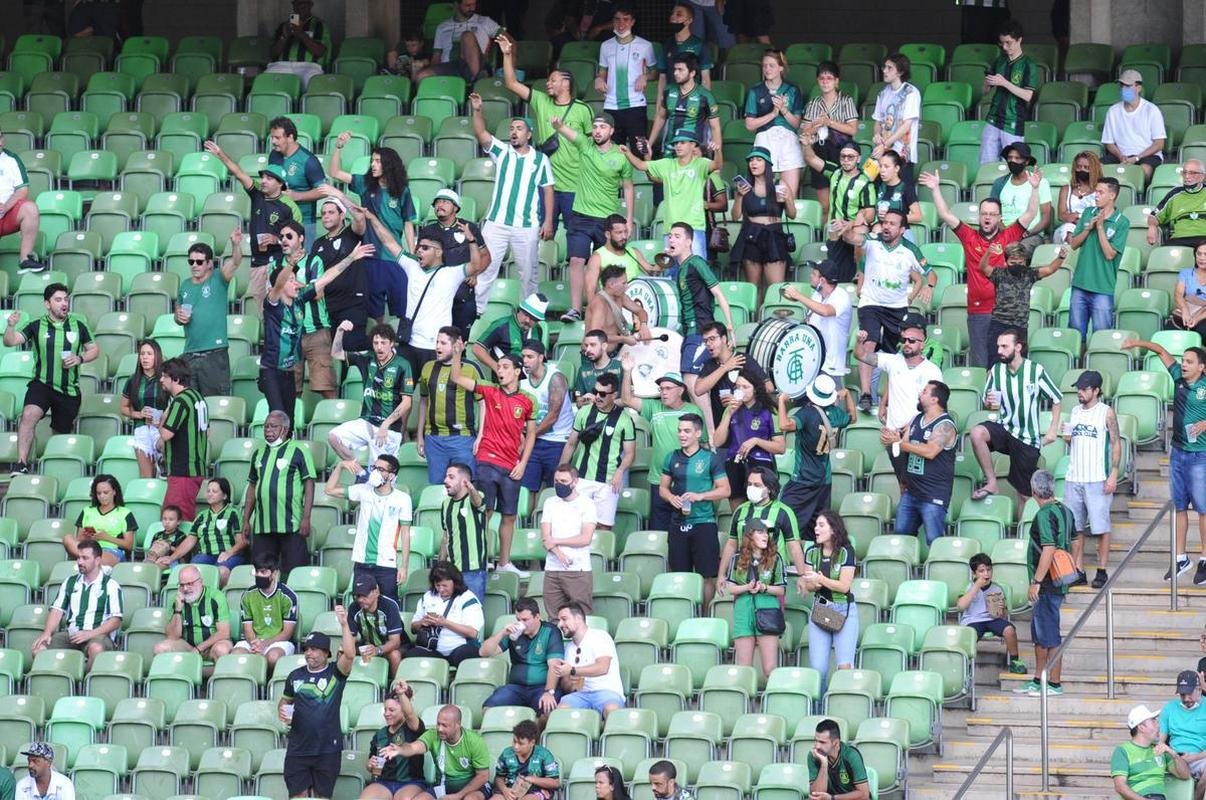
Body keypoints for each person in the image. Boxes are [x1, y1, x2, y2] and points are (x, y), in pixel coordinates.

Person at [921, 164, 1040, 367]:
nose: (987, 217)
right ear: (979, 216)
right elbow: (945, 214)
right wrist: (935, 189)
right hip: (978, 312)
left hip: (1005, 311)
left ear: (999, 218)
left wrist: (1035, 189)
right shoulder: (969, 236)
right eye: (984, 213)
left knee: (1007, 364)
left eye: (992, 214)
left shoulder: (1008, 235)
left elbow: (1030, 213)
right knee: (981, 363)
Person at [261, 223, 372, 417]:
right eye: (291, 280)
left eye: (289, 236)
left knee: (306, 398)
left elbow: (326, 279)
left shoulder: (301, 294)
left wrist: (351, 257)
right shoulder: (273, 301)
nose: (295, 283)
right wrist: (290, 266)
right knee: (281, 409)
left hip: (304, 346)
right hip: (272, 369)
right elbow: (277, 285)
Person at [364, 206, 491, 378]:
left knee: (429, 397)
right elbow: (389, 242)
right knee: (402, 395)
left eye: (425, 248)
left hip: (435, 348)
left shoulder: (451, 274)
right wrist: (372, 218)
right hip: (408, 344)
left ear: (438, 252)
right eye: (419, 247)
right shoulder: (412, 266)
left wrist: (472, 242)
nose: (418, 251)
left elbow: (476, 265)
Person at [449, 339, 536, 577]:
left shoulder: (528, 400)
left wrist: (523, 463)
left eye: (506, 367)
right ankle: (482, 558)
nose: (500, 371)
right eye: (499, 367)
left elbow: (531, 435)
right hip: (487, 460)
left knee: (509, 515)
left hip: (512, 466)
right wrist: (457, 354)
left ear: (518, 372)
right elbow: (457, 378)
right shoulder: (488, 390)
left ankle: (504, 562)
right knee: (485, 511)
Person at [1121, 339, 1206, 582]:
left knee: (1203, 509)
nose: (1184, 364)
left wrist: (1204, 424)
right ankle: (1181, 558)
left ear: (1202, 367)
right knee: (1179, 507)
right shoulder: (1178, 377)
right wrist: (1136, 342)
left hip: (1200, 454)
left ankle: (1205, 559)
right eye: (1183, 361)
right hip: (1178, 452)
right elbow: (1160, 350)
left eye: (1190, 362)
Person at [496, 35, 594, 237]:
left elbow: (592, 147)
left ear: (566, 83)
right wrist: (507, 55)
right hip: (545, 183)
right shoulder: (541, 101)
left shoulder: (583, 110)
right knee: (541, 234)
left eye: (553, 80)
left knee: (576, 236)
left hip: (574, 186)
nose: (548, 83)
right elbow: (511, 82)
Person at [468, 93, 555, 306]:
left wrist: (548, 221)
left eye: (519, 128)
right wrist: (478, 110)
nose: (514, 132)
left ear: (529, 134)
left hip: (526, 225)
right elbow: (480, 131)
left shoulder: (540, 159)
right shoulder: (502, 151)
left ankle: (528, 319)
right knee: (484, 268)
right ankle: (477, 312)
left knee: (528, 275)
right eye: (512, 129)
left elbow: (548, 190)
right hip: (496, 222)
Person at [3, 283, 98, 474]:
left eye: (65, 299)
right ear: (47, 304)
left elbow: (94, 350)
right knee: (29, 415)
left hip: (68, 389)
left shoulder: (78, 325)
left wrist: (79, 358)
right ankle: (21, 463)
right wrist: (10, 326)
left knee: (59, 434)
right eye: (58, 300)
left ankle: (54, 471)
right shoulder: (36, 325)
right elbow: (10, 341)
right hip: (42, 384)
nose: (64, 303)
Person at [550, 112, 635, 322]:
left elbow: (628, 188)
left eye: (602, 127)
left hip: (607, 219)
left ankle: (604, 310)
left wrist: (629, 220)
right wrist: (558, 125)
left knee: (605, 268)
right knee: (577, 260)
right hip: (581, 215)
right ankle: (576, 309)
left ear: (611, 131)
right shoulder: (585, 145)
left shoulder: (621, 155)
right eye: (595, 127)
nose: (597, 131)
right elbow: (567, 132)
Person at [851, 211, 934, 411]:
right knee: (868, 341)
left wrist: (928, 287)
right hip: (871, 302)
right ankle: (865, 393)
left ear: (902, 229)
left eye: (892, 224)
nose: (887, 226)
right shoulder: (872, 241)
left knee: (893, 355)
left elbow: (930, 274)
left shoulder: (910, 250)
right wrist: (845, 228)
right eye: (885, 222)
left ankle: (888, 397)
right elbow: (852, 238)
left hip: (896, 308)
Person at [970, 328, 1062, 508]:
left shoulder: (1034, 370)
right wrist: (989, 403)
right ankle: (991, 482)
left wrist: (1052, 430)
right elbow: (990, 404)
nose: (999, 351)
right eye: (998, 346)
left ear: (1018, 347)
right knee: (976, 433)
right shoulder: (996, 370)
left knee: (1024, 495)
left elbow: (1056, 398)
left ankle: (1024, 533)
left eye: (1004, 346)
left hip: (1027, 437)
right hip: (1005, 428)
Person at [202, 142, 301, 309]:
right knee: (264, 313)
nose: (263, 181)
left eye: (269, 178)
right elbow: (239, 173)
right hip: (256, 264)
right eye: (262, 177)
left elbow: (297, 240)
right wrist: (220, 154)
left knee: (281, 310)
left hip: (279, 263)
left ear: (280, 183)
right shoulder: (257, 194)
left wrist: (277, 239)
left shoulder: (289, 207)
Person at [327, 136, 411, 328]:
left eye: (378, 161)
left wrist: (412, 253)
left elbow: (408, 222)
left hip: (395, 259)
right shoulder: (365, 184)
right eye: (372, 160)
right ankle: (379, 343)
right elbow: (334, 172)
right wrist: (338, 146)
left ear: (389, 165)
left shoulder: (402, 191)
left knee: (402, 311)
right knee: (375, 314)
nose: (373, 164)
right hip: (370, 257)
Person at [295, 192, 368, 400]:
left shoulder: (352, 234)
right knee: (334, 359)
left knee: (352, 358)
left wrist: (336, 194)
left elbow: (360, 218)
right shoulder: (317, 244)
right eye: (323, 213)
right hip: (329, 309)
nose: (325, 216)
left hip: (352, 305)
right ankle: (339, 406)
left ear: (341, 215)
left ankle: (357, 401)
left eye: (330, 212)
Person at [619, 359, 706, 531]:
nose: (663, 392)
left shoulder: (694, 411)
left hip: (686, 480)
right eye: (661, 389)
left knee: (684, 528)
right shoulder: (654, 407)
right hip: (659, 480)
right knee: (659, 528)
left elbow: (702, 446)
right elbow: (627, 399)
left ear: (681, 390)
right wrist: (628, 371)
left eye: (668, 388)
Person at [279, 613, 356, 799]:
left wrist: (345, 624)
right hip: (298, 748)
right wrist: (282, 711)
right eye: (306, 649)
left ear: (325, 653)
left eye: (314, 649)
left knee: (323, 797)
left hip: (327, 748)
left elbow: (350, 654)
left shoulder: (336, 673)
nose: (308, 653)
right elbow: (285, 701)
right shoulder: (295, 676)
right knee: (298, 797)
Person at [660, 413, 729, 611]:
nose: (682, 435)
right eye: (680, 431)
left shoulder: (710, 458)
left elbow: (725, 489)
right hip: (677, 523)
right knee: (679, 574)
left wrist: (701, 496)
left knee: (707, 574)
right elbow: (663, 488)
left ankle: (706, 616)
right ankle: (683, 615)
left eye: (687, 431)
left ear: (698, 433)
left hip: (704, 522)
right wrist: (670, 497)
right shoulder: (671, 457)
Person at [325, 453, 414, 602]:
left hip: (386, 564)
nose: (375, 472)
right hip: (362, 563)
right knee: (361, 605)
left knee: (388, 606)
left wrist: (404, 567)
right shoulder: (363, 490)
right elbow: (329, 490)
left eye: (380, 469)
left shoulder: (403, 499)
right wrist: (340, 466)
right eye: (374, 467)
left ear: (391, 476)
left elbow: (405, 535)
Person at [241, 410, 318, 580]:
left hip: (291, 524)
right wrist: (246, 519)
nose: (268, 429)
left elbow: (309, 484)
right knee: (262, 573)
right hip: (262, 525)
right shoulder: (258, 453)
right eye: (266, 426)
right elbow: (252, 487)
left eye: (273, 426)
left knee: (294, 573)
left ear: (284, 429)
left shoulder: (299, 450)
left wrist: (306, 518)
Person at [879, 379, 958, 545]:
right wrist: (890, 440)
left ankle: (938, 571)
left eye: (924, 392)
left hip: (934, 494)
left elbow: (930, 452)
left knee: (934, 540)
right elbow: (902, 447)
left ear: (934, 399)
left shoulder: (945, 425)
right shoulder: (916, 419)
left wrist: (899, 442)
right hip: (911, 492)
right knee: (901, 537)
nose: (920, 394)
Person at [1062, 370, 1121, 589]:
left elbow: (1115, 443)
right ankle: (1079, 570)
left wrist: (1114, 472)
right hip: (1074, 476)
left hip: (1097, 477)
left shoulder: (1106, 412)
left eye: (1085, 389)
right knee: (1075, 528)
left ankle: (1102, 570)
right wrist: (1067, 439)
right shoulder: (1075, 411)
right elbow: (1072, 442)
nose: (1080, 392)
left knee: (1100, 527)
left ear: (1096, 390)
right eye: (1079, 388)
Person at [1017, 470, 1073, 697]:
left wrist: (1036, 582)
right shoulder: (1065, 510)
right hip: (1058, 580)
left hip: (1048, 583)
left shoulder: (1044, 514)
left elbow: (1048, 548)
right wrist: (1073, 569)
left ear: (1033, 490)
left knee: (1049, 635)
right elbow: (1077, 540)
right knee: (1040, 634)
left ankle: (1055, 683)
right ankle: (1038, 679)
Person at [777, 374, 856, 537]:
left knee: (785, 523)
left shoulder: (807, 413)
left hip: (803, 479)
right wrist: (847, 394)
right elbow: (853, 417)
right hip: (824, 481)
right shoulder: (836, 414)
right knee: (816, 531)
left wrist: (781, 401)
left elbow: (784, 425)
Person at [620, 136, 721, 261]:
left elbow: (717, 164)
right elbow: (641, 165)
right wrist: (627, 152)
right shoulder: (667, 163)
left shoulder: (700, 163)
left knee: (697, 269)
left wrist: (717, 151)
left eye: (682, 142)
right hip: (671, 229)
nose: (678, 145)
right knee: (671, 272)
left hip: (694, 227)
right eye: (676, 143)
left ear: (693, 145)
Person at [329, 322, 414, 466]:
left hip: (389, 429)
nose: (379, 347)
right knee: (333, 437)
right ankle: (359, 471)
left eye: (383, 343)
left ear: (392, 343)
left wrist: (385, 425)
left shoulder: (402, 365)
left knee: (379, 476)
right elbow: (336, 353)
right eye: (376, 343)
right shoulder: (367, 358)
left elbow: (407, 402)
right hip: (366, 422)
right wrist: (339, 330)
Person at [560, 371, 636, 530]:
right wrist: (561, 470)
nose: (598, 396)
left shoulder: (625, 420)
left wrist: (620, 471)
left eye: (602, 393)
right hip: (582, 478)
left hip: (608, 481)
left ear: (614, 395)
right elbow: (571, 444)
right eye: (595, 392)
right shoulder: (584, 412)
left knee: (603, 526)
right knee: (576, 524)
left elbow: (630, 453)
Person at [31, 539, 121, 669]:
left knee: (96, 649)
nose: (80, 562)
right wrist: (47, 632)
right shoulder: (70, 582)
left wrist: (90, 634)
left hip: (98, 635)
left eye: (85, 558)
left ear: (97, 560)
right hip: (72, 634)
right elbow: (57, 610)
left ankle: (84, 682)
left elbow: (116, 621)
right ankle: (61, 681)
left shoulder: (111, 585)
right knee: (38, 649)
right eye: (78, 558)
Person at [717, 465, 807, 593]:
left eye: (757, 485)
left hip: (772, 582)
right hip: (742, 581)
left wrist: (802, 576)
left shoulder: (784, 512)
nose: (751, 488)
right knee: (742, 612)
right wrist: (721, 575)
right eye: (749, 484)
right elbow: (731, 544)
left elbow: (794, 546)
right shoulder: (740, 510)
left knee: (771, 612)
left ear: (769, 488)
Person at [173, 230, 242, 397]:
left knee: (214, 403)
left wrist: (235, 244)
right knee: (191, 405)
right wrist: (178, 316)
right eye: (191, 261)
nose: (194, 265)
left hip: (214, 354)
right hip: (190, 354)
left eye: (199, 261)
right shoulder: (185, 285)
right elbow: (178, 309)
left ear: (209, 263)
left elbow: (236, 261)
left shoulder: (219, 278)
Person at [799, 137, 876, 282]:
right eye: (843, 156)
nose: (846, 160)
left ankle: (859, 273)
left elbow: (870, 214)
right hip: (834, 233)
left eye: (850, 157)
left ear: (858, 159)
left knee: (860, 235)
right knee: (834, 276)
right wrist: (807, 145)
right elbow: (810, 158)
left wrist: (850, 224)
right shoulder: (835, 172)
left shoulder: (865, 182)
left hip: (853, 233)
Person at [419, 188, 492, 337]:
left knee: (459, 342)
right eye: (437, 202)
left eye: (445, 202)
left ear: (456, 207)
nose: (440, 205)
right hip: (436, 296)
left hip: (462, 295)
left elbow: (486, 256)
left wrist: (475, 273)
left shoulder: (469, 227)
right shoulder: (427, 231)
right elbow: (420, 259)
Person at [854, 318, 943, 436]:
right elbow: (861, 355)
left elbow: (936, 406)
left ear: (922, 345)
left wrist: (913, 424)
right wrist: (859, 342)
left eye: (912, 340)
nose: (906, 343)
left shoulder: (933, 371)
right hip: (892, 432)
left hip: (917, 432)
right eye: (904, 339)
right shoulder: (893, 361)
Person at [802, 510, 859, 693]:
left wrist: (821, 580)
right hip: (821, 608)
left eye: (821, 525)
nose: (816, 529)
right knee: (818, 669)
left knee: (844, 667)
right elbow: (810, 586)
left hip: (844, 610)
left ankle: (843, 708)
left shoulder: (846, 551)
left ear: (833, 529)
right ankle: (819, 713)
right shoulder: (811, 552)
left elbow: (844, 586)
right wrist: (809, 583)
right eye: (816, 525)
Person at [712, 366, 784, 509]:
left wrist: (756, 441)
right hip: (734, 463)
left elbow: (780, 447)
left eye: (745, 387)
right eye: (738, 387)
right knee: (738, 511)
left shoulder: (769, 410)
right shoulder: (730, 408)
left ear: (755, 389)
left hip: (760, 464)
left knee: (761, 509)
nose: (740, 391)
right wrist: (729, 414)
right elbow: (717, 441)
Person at [730, 146, 796, 301]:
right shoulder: (744, 187)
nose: (754, 163)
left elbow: (792, 215)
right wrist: (739, 197)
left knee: (776, 288)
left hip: (774, 236)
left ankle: (774, 321)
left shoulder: (780, 184)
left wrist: (787, 199)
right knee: (754, 287)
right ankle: (755, 322)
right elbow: (735, 217)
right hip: (752, 236)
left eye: (758, 160)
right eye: (751, 160)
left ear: (767, 164)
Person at [386, 705, 491, 800]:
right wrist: (400, 749)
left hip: (474, 788)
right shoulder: (433, 735)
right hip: (443, 787)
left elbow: (483, 776)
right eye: (438, 724)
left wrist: (458, 796)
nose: (439, 729)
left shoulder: (474, 741)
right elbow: (413, 747)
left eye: (445, 725)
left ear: (457, 724)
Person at [1066, 177, 1128, 339]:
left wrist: (1100, 228)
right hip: (1080, 284)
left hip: (1103, 288)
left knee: (1101, 337)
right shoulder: (1088, 213)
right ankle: (1077, 364)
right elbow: (1073, 244)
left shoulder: (1122, 222)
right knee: (1076, 336)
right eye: (1096, 191)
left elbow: (1109, 255)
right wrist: (1088, 228)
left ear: (1112, 196)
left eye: (1101, 192)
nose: (1096, 195)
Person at [418, 328, 482, 483]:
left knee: (466, 485)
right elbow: (424, 400)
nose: (438, 347)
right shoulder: (428, 367)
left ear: (455, 346)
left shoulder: (470, 369)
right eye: (437, 342)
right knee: (436, 486)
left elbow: (483, 403)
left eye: (443, 343)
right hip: (433, 438)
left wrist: (480, 436)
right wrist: (420, 435)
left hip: (462, 438)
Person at [481, 597, 565, 714]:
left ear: (537, 617)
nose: (521, 623)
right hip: (516, 688)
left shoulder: (550, 631)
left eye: (525, 620)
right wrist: (502, 633)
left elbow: (554, 665)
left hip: (541, 687)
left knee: (547, 712)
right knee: (488, 710)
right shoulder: (514, 633)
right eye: (518, 619)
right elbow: (484, 652)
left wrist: (549, 692)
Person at [725, 518, 786, 678]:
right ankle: (745, 703)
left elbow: (781, 589)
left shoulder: (776, 558)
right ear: (750, 535)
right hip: (743, 611)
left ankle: (773, 701)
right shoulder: (736, 558)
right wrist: (747, 587)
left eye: (766, 532)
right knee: (744, 669)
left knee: (770, 668)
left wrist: (764, 587)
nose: (765, 535)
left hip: (768, 610)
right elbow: (730, 588)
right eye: (760, 532)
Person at [800, 62, 860, 221]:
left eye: (829, 78)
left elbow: (853, 130)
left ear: (836, 81)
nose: (825, 82)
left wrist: (830, 122)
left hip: (841, 151)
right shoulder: (813, 103)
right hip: (819, 150)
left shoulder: (846, 100)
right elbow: (805, 131)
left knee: (842, 201)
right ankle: (828, 238)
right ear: (817, 81)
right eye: (822, 78)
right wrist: (818, 124)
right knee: (825, 205)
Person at [742, 51, 804, 198]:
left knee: (788, 194)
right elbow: (749, 125)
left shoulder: (792, 90)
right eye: (764, 66)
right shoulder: (756, 91)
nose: (767, 69)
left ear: (781, 68)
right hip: (764, 139)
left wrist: (783, 109)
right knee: (763, 193)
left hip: (788, 139)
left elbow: (797, 124)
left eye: (771, 66)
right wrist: (772, 114)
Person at [978, 241, 1065, 345]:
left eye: (1020, 263)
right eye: (1013, 263)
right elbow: (983, 267)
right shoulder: (999, 274)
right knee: (996, 358)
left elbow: (1050, 269)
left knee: (1018, 360)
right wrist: (988, 252)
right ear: (1006, 261)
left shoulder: (1029, 274)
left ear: (1025, 261)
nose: (1017, 266)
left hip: (1020, 325)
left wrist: (1061, 257)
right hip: (999, 324)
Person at [595, 5, 656, 151]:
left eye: (626, 19)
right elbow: (602, 72)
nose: (621, 24)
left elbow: (655, 72)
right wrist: (598, 79)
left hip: (636, 105)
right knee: (613, 151)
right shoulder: (605, 46)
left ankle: (643, 174)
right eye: (617, 19)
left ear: (632, 22)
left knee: (640, 149)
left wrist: (645, 76)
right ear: (613, 22)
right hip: (611, 105)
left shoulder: (645, 46)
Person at [979, 19, 1039, 164]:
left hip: (1013, 121)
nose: (1005, 47)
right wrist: (987, 84)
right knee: (986, 165)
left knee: (1012, 166)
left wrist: (1005, 83)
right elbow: (984, 92)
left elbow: (1027, 96)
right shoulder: (999, 61)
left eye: (1009, 42)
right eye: (1002, 43)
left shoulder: (1029, 65)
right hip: (993, 118)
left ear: (1019, 40)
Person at [540, 464, 597, 615]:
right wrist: (559, 554)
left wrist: (556, 541)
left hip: (578, 569)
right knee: (554, 617)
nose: (559, 485)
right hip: (552, 569)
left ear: (575, 482)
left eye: (564, 481)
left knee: (581, 616)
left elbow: (585, 538)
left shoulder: (588, 504)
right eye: (556, 481)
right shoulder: (550, 502)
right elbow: (546, 537)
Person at [782, 260, 853, 381]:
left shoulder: (841, 296)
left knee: (829, 398)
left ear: (822, 281)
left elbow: (825, 311)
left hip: (831, 366)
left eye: (814, 274)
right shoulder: (817, 295)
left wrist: (798, 296)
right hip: (813, 360)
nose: (810, 276)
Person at [156, 357, 208, 521]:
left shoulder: (180, 401)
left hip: (183, 471)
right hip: (194, 469)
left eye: (164, 376)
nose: (161, 379)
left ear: (176, 379)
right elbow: (208, 431)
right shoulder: (197, 396)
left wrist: (163, 417)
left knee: (176, 520)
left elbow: (165, 434)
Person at [958, 553, 1027, 675]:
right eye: (981, 571)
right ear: (974, 573)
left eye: (989, 570)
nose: (986, 574)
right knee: (970, 635)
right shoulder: (968, 587)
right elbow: (961, 606)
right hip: (973, 620)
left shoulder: (997, 588)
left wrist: (1001, 610)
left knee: (1009, 630)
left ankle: (1015, 661)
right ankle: (965, 664)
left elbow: (1004, 614)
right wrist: (976, 586)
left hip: (992, 619)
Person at [553, 602, 626, 716]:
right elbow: (566, 685)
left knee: (612, 710)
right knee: (561, 711)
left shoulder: (600, 636)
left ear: (578, 618)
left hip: (606, 693)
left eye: (564, 619)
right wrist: (570, 684)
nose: (559, 624)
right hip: (581, 695)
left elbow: (603, 668)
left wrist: (573, 670)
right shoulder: (569, 648)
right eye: (559, 620)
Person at [648, 53, 721, 165]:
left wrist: (718, 156)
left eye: (680, 70)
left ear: (692, 73)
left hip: (694, 151)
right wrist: (650, 143)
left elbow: (715, 127)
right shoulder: (668, 91)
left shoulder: (705, 96)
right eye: (675, 69)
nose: (675, 73)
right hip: (670, 149)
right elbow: (661, 117)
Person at [407, 562, 484, 666]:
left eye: (444, 585)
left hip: (458, 649)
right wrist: (422, 623)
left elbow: (472, 633)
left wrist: (445, 623)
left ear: (455, 583)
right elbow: (413, 628)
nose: (441, 589)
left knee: (467, 654)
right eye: (437, 585)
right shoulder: (428, 596)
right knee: (411, 655)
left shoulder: (468, 598)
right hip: (433, 650)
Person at [232, 552, 299, 670]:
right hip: (253, 641)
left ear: (274, 573)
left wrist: (265, 643)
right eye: (257, 571)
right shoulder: (247, 595)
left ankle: (268, 682)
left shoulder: (288, 596)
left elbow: (287, 633)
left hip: (279, 642)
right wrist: (255, 644)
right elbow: (248, 628)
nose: (258, 575)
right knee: (236, 655)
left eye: (263, 572)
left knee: (273, 657)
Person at [155, 564, 234, 663]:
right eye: (182, 585)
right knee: (160, 648)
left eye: (190, 584)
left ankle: (213, 676)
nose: (185, 589)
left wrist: (199, 648)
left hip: (211, 647)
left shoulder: (216, 597)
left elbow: (224, 633)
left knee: (222, 649)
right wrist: (178, 610)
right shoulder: (176, 600)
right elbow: (173, 636)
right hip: (188, 647)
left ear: (200, 582)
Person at [267, 116, 328, 243]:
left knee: (301, 262)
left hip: (303, 223)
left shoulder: (308, 160)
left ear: (290, 137)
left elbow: (324, 191)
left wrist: (297, 196)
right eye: (272, 137)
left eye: (277, 138)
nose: (273, 141)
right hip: (277, 220)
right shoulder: (273, 155)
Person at [361, 685, 426, 800]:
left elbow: (410, 715)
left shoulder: (412, 728)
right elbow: (371, 764)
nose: (386, 713)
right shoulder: (379, 734)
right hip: (383, 782)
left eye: (392, 710)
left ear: (403, 710)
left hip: (410, 783)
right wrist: (370, 765)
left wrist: (401, 694)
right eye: (385, 709)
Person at [1113, 704, 1191, 798]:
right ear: (1141, 727)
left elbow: (1185, 775)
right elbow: (1120, 786)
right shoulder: (1122, 751)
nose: (1158, 725)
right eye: (1153, 721)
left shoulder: (1161, 750)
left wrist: (1174, 754)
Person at [1102, 69, 1167, 182]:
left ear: (1138, 88)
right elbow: (1109, 143)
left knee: (1143, 171)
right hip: (1121, 155)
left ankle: (1139, 196)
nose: (1123, 89)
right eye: (1122, 86)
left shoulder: (1151, 110)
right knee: (1096, 168)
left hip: (1146, 155)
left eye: (1128, 86)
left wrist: (1137, 158)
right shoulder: (1113, 111)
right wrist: (1120, 156)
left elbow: (1159, 144)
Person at [987, 143, 1053, 249]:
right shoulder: (999, 183)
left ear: (1026, 161)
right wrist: (1007, 233)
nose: (1013, 161)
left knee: (1016, 250)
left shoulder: (1041, 182)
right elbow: (993, 214)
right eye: (1010, 158)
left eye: (1017, 158)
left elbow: (1046, 218)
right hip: (1004, 233)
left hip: (1031, 235)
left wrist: (1028, 233)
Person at [441, 463, 490, 602]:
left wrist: (471, 489)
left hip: (473, 570)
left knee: (472, 614)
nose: (445, 481)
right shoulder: (445, 504)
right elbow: (446, 536)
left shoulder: (475, 497)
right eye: (446, 476)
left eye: (451, 477)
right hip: (452, 571)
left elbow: (478, 502)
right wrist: (440, 565)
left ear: (464, 481)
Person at [0, 132, 47, 274]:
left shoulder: (12, 159)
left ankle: (25, 259)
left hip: (6, 214)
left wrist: (5, 206)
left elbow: (22, 190)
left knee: (30, 209)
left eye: (0, 137)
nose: (0, 143)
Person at [63, 474, 135, 566]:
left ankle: (87, 560)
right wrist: (87, 537)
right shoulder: (87, 511)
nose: (102, 496)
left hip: (111, 551)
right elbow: (79, 540)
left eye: (105, 492)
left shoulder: (125, 513)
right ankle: (88, 560)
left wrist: (106, 537)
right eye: (98, 493)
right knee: (68, 538)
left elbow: (128, 545)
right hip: (88, 548)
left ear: (114, 492)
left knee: (97, 557)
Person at [121, 338, 168, 478]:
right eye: (142, 354)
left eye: (149, 354)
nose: (145, 357)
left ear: (157, 356)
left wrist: (161, 419)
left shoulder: (165, 378)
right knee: (146, 477)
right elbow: (123, 408)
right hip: (141, 429)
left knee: (165, 477)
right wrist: (139, 414)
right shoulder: (132, 380)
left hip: (162, 430)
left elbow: (174, 404)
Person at [421, 0, 499, 82]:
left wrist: (512, 67)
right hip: (450, 67)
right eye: (468, 5)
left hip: (476, 66)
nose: (472, 8)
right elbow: (436, 56)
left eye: (474, 4)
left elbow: (509, 41)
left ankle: (476, 83)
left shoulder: (485, 22)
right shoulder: (442, 27)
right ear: (456, 4)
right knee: (422, 76)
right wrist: (433, 72)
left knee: (467, 36)